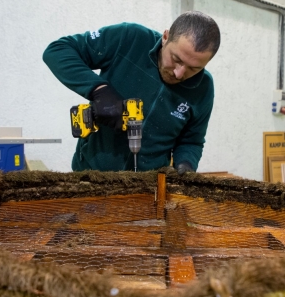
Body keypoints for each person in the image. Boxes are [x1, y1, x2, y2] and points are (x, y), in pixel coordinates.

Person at [43, 11, 220, 175]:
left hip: (148, 187)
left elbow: (192, 141)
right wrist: (99, 90)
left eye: (194, 68)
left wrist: (186, 164)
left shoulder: (203, 88)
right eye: (176, 59)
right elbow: (58, 51)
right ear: (166, 37)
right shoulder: (130, 39)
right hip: (90, 176)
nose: (179, 73)